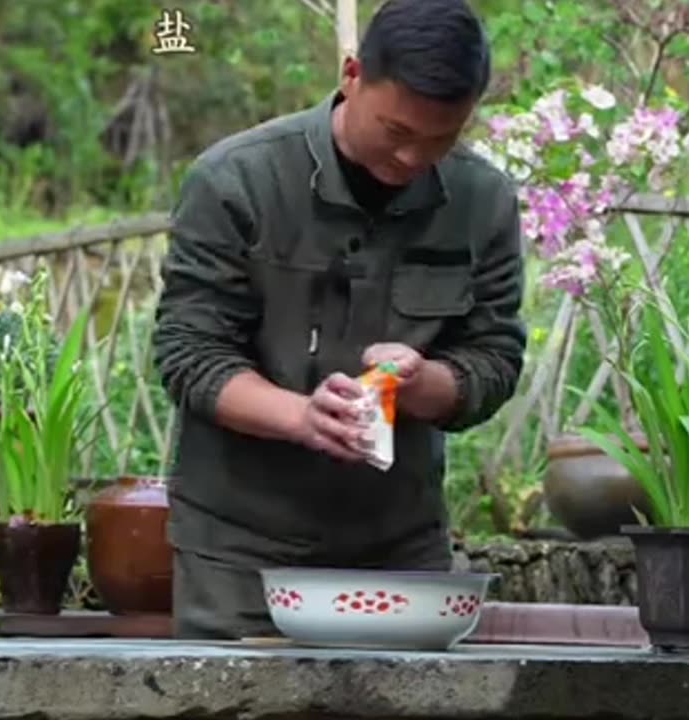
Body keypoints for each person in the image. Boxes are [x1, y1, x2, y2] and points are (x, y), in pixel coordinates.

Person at [152, 0, 526, 640]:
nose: (411, 158)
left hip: (401, 549)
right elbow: (190, 352)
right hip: (239, 551)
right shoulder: (235, 181)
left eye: (440, 139)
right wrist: (302, 417)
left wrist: (425, 384)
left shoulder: (481, 200)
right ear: (352, 75)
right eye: (396, 130)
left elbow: (494, 356)